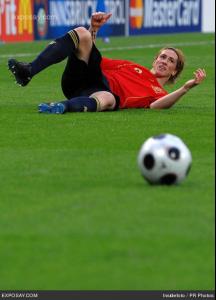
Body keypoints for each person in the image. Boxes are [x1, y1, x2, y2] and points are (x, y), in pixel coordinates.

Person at [8, 12, 206, 114]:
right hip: (81, 80)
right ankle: (29, 70)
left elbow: (156, 107)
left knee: (108, 99)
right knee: (82, 33)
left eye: (171, 61)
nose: (164, 61)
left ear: (174, 72)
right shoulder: (131, 66)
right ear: (155, 59)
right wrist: (94, 29)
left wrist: (185, 88)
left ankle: (60, 107)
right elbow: (92, 57)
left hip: (101, 92)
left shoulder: (159, 93)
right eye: (162, 56)